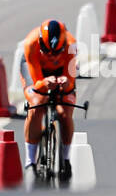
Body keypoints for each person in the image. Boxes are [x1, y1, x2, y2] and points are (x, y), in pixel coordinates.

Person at [19, 18, 78, 181]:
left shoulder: (71, 45)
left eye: (56, 52)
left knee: (65, 112)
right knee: (37, 105)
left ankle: (66, 159)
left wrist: (66, 83)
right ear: (40, 42)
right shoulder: (31, 44)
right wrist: (45, 83)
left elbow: (70, 80)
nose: (51, 55)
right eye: (46, 50)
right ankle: (30, 162)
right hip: (37, 72)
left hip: (61, 71)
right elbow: (37, 84)